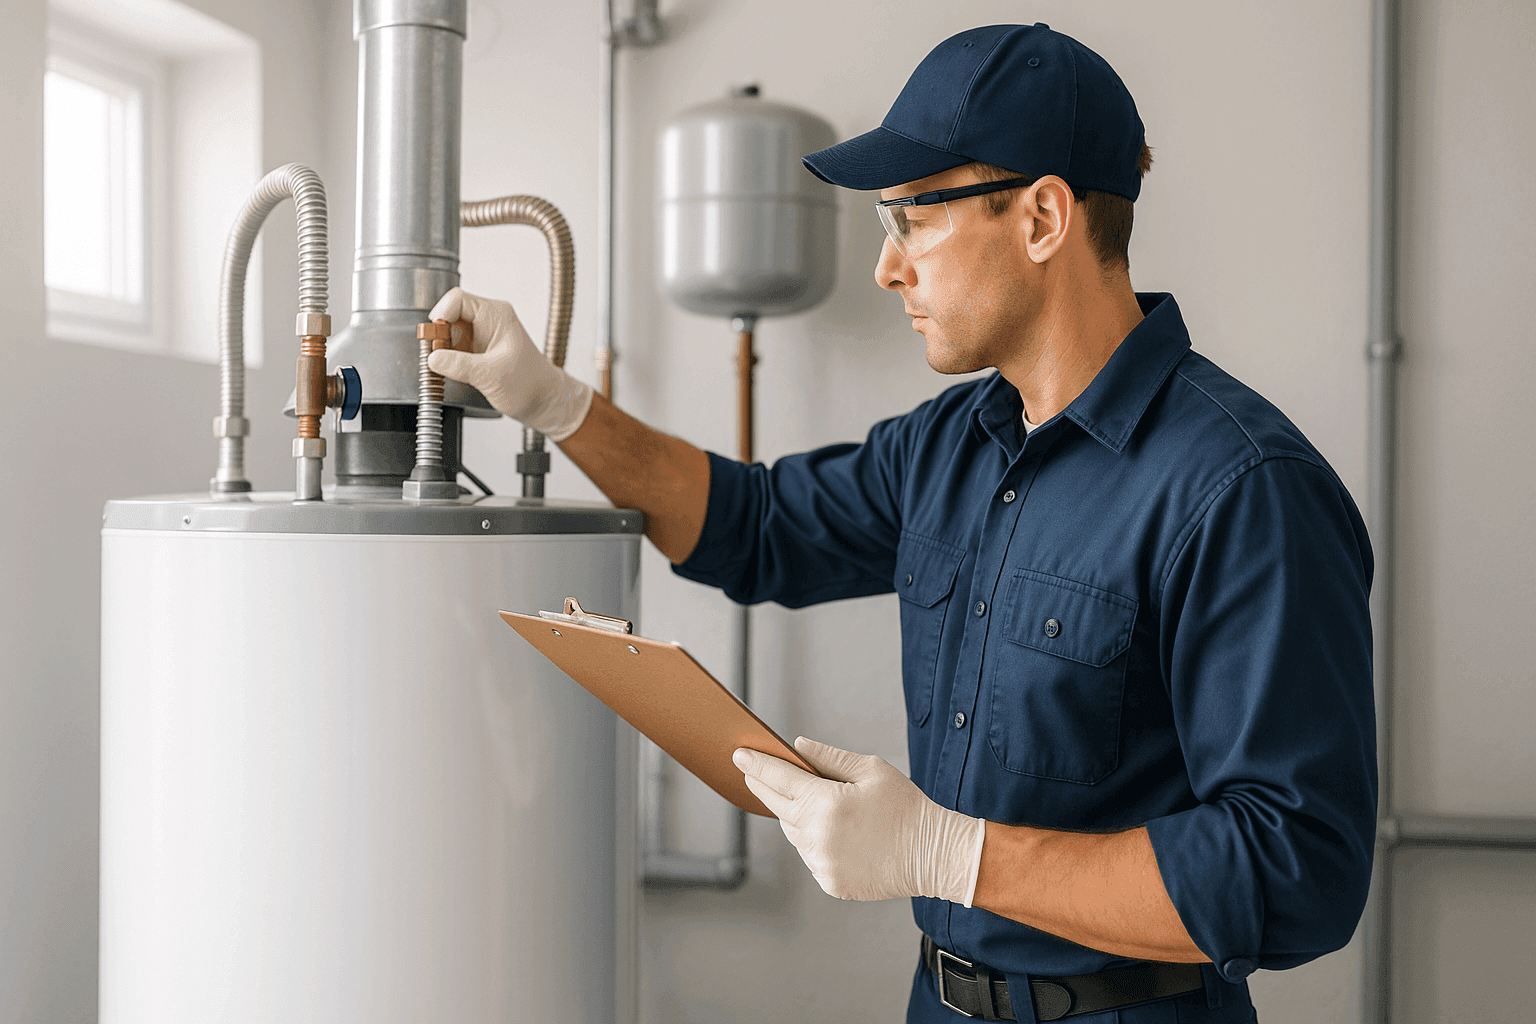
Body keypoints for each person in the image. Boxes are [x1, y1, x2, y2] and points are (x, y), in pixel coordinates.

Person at [427, 23, 1376, 1024]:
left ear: (1042, 218)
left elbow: (1298, 869)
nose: (887, 268)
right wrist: (555, 403)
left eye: (913, 217)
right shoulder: (947, 446)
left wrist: (947, 853)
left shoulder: (1241, 488)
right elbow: (755, 526)